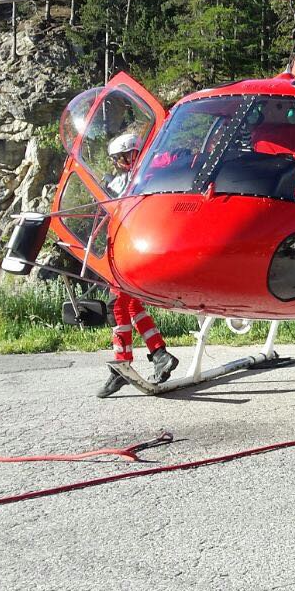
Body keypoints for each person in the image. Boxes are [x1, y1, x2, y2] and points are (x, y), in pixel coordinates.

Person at [99, 130, 179, 397]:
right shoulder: (156, 172)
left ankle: (121, 365)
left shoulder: (134, 180)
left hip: (129, 250)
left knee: (117, 306)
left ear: (133, 155)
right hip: (140, 247)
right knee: (133, 304)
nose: (118, 165)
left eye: (121, 159)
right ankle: (159, 354)